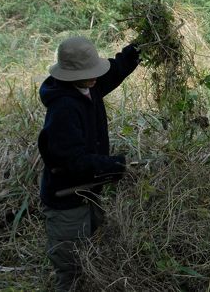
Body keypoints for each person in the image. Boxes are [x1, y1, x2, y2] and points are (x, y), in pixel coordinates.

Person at [37, 36, 140, 291]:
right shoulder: (63, 109)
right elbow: (73, 161)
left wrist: (133, 52)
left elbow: (113, 73)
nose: (95, 76)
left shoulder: (87, 86)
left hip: (88, 194)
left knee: (92, 254)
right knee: (72, 269)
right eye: (89, 72)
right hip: (67, 204)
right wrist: (116, 165)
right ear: (70, 75)